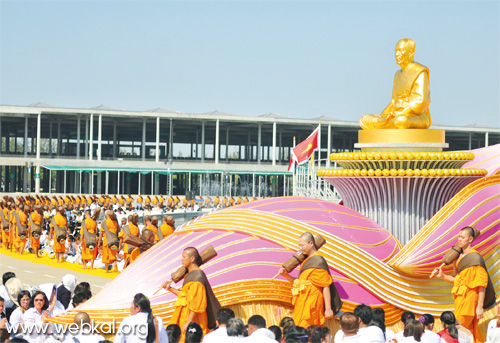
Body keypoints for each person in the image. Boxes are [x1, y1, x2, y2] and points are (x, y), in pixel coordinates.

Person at [433, 226, 495, 343]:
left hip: (471, 299)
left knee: (459, 329)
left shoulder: (475, 257)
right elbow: (458, 280)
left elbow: (482, 284)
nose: (459, 239)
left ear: (470, 239)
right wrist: (442, 276)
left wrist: (480, 306)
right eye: (458, 237)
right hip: (460, 298)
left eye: (462, 237)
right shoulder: (459, 257)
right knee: (468, 330)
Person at [359, 38, 431, 130]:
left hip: (414, 116)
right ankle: (384, 123)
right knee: (364, 120)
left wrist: (401, 113)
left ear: (411, 52)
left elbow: (421, 101)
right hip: (394, 114)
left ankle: (383, 125)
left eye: (400, 51)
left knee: (401, 121)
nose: (396, 54)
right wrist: (384, 115)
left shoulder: (420, 72)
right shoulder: (398, 74)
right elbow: (394, 101)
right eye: (396, 51)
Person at [278, 232, 340, 327]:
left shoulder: (318, 260)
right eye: (299, 245)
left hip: (312, 303)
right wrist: (286, 275)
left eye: (302, 245)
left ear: (311, 243)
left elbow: (326, 286)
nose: (300, 248)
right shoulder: (305, 261)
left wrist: (328, 308)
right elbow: (300, 282)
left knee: (309, 331)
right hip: (301, 302)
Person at [165, 247, 221, 338]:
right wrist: (170, 288)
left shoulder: (197, 277)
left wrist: (188, 322)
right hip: (185, 316)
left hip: (194, 319)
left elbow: (196, 305)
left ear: (192, 259)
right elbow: (185, 296)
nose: (181, 259)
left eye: (184, 257)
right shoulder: (189, 275)